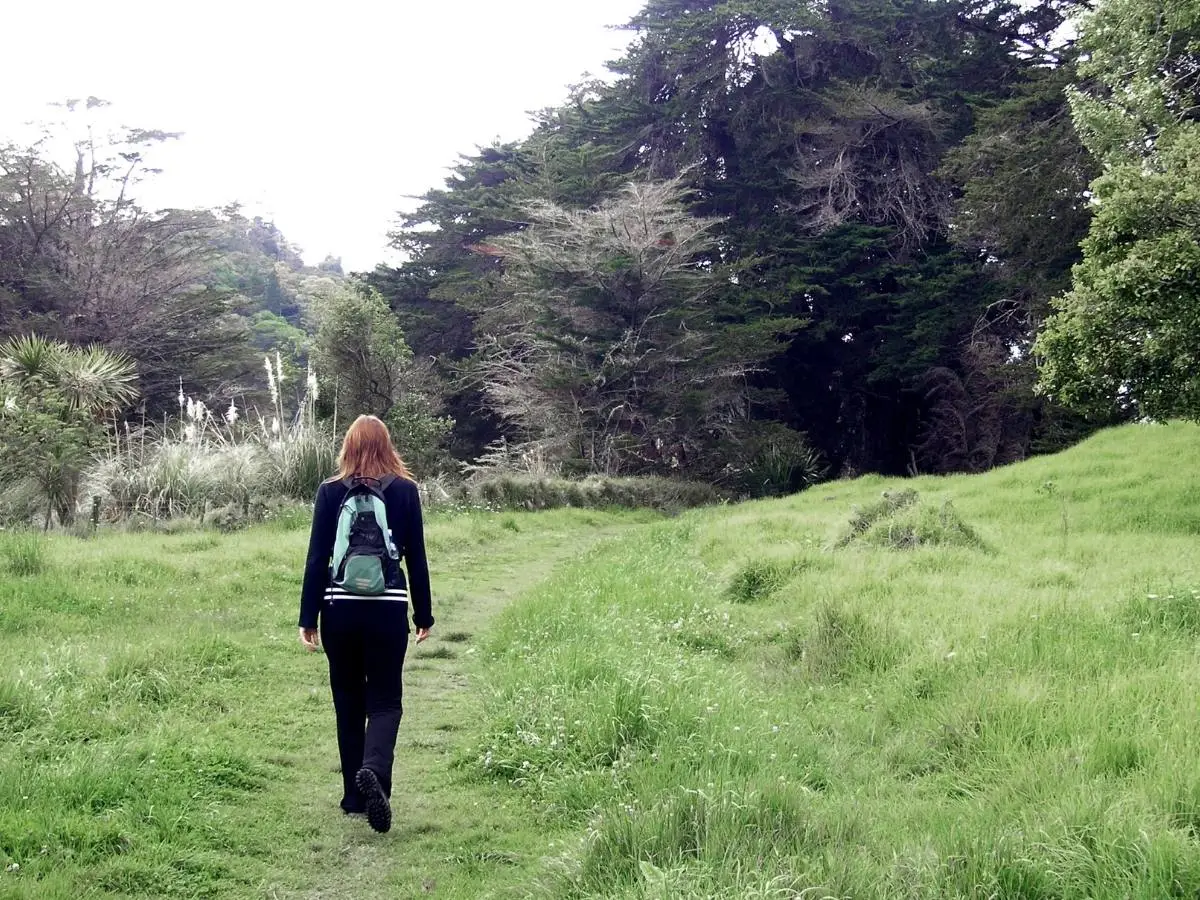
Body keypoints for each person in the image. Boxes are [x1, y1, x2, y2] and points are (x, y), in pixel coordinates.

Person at [297, 414, 433, 833]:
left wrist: (308, 617)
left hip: (339, 610)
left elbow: (317, 558)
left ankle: (354, 797)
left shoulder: (330, 491)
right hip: (387, 610)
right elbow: (417, 558)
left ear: (348, 446)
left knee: (348, 701)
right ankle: (374, 770)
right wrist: (423, 615)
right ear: (387, 446)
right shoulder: (405, 491)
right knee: (386, 700)